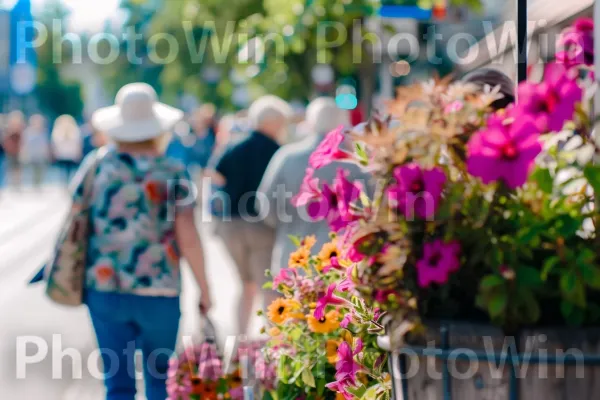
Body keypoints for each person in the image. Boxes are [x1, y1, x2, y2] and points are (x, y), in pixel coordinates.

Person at [80, 82, 212, 400]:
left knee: (118, 384)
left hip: (105, 287)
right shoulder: (172, 170)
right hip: (161, 290)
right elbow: (188, 235)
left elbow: (76, 221)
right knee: (160, 382)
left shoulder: (97, 166)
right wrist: (205, 289)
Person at [207, 95, 291, 335]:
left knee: (245, 286)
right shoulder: (278, 152)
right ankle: (274, 343)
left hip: (230, 225)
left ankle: (240, 341)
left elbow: (215, 174)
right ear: (276, 123)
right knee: (269, 287)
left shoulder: (234, 145)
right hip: (261, 226)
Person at [256, 98, 367, 278]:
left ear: (310, 122)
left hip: (293, 255)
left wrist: (289, 225)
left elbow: (265, 206)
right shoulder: (356, 163)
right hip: (342, 260)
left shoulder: (286, 157)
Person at [20, 114, 51, 188]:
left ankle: (38, 184)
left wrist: (47, 153)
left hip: (40, 154)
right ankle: (34, 183)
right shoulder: (28, 132)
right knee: (32, 169)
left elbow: (46, 143)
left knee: (40, 169)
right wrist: (23, 153)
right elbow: (24, 143)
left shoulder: (43, 131)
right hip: (32, 154)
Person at [51, 114, 83, 183]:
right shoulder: (74, 130)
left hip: (65, 154)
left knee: (65, 170)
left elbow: (54, 144)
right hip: (68, 154)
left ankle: (66, 182)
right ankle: (67, 182)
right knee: (68, 170)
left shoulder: (58, 131)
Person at [2, 111, 26, 189]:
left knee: (18, 168)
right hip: (10, 151)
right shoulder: (8, 129)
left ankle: (17, 184)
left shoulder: (21, 129)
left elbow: (23, 140)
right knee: (10, 168)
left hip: (19, 151)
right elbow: (6, 140)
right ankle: (12, 184)